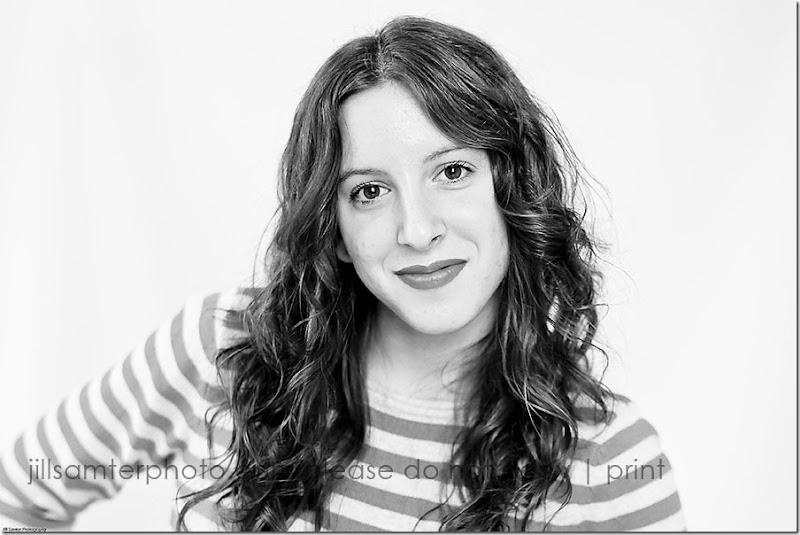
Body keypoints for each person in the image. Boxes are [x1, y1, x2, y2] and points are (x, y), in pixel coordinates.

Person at [0, 16, 685, 531]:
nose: (416, 229)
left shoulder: (612, 459)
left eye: (452, 171)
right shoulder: (222, 350)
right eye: (369, 191)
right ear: (336, 229)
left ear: (514, 188)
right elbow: (18, 492)